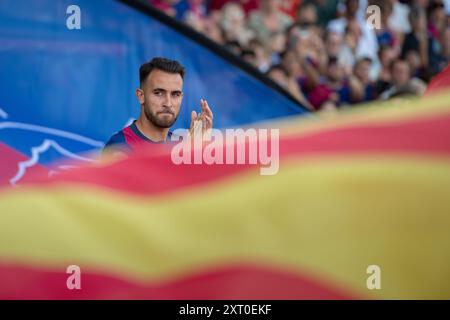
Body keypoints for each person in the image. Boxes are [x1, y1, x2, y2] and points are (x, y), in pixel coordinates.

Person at [103, 57, 213, 156]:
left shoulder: (180, 146)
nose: (168, 103)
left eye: (175, 94)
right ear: (141, 96)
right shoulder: (120, 147)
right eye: (159, 93)